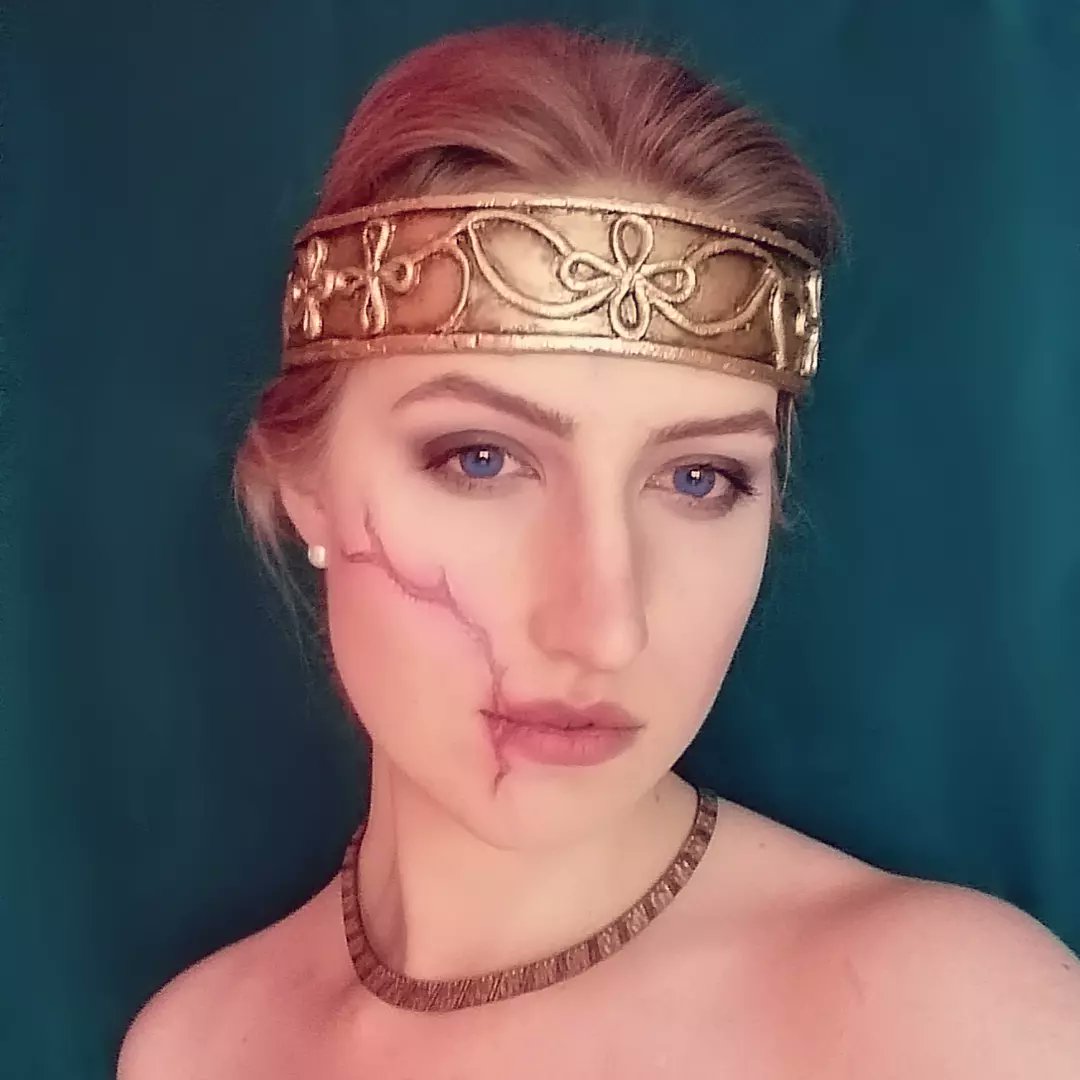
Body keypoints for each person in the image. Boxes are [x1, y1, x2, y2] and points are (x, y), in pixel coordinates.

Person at [117, 22, 1080, 1080]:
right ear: (305, 485)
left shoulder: (950, 1027)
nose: (603, 626)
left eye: (699, 478)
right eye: (481, 458)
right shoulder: (191, 1049)